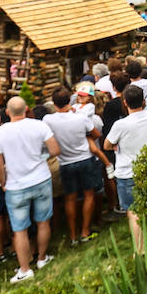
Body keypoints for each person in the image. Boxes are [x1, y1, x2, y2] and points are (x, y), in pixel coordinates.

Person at [0, 97, 61, 283]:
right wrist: (40, 157)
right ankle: (42, 258)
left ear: (7, 112)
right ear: (26, 109)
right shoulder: (39, 126)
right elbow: (55, 150)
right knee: (43, 222)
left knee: (20, 229)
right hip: (41, 178)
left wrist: (3, 182)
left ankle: (25, 269)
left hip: (16, 184)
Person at [43, 89, 107, 247]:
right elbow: (96, 133)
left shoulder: (48, 120)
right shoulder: (80, 118)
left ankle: (72, 234)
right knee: (89, 195)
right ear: (70, 101)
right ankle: (85, 231)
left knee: (70, 198)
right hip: (84, 158)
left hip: (64, 161)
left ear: (54, 102)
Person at [104, 85, 147, 247]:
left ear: (125, 102)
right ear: (143, 101)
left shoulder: (121, 125)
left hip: (127, 171)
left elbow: (107, 144)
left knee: (134, 212)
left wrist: (116, 144)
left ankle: (140, 248)